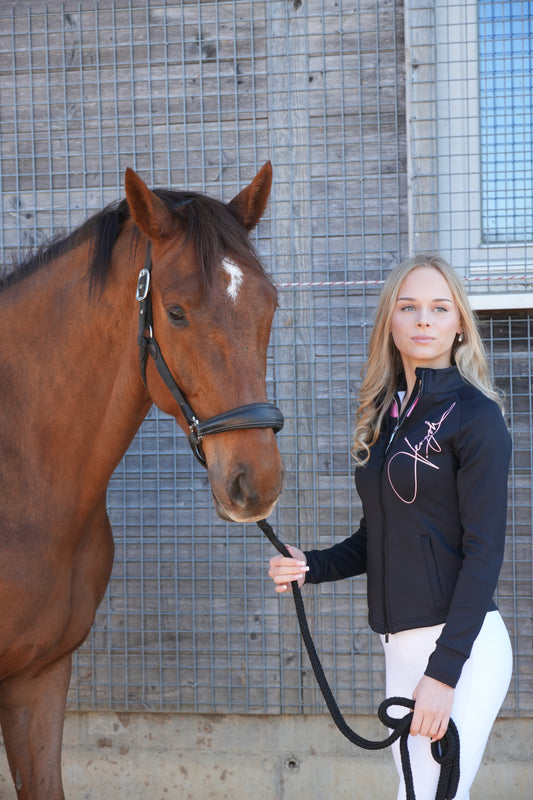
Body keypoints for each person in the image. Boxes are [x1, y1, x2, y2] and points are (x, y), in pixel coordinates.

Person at [268, 255, 513, 800]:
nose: (423, 319)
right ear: (391, 324)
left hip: (459, 648)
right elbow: (376, 536)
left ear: (459, 325)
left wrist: (444, 673)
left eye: (438, 307)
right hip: (398, 646)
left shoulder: (477, 417)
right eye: (409, 307)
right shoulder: (388, 416)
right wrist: (312, 565)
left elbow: (485, 553)